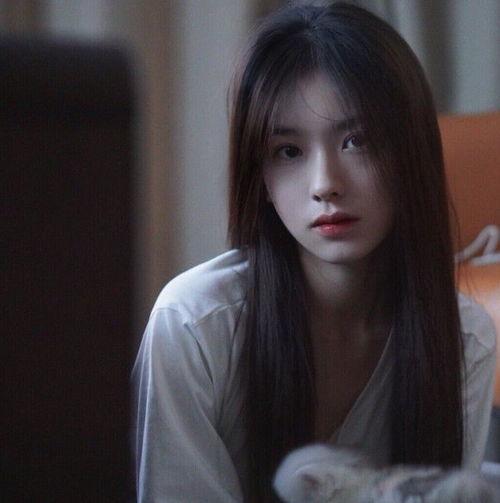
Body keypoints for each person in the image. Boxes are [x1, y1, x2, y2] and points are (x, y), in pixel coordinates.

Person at [131, 3, 497, 502]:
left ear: (410, 152)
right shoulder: (194, 326)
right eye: (289, 151)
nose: (325, 184)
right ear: (259, 177)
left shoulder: (462, 339)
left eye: (357, 140)